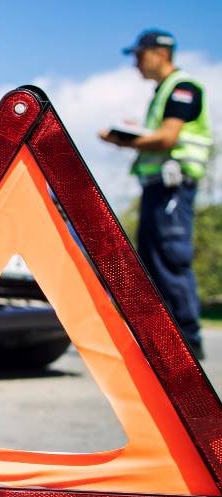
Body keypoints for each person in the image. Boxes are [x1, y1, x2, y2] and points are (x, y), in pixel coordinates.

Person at [100, 29, 213, 360]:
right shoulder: (163, 91)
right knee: (151, 261)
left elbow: (167, 138)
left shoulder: (182, 88)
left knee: (170, 259)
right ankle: (163, 342)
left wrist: (126, 140)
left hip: (172, 188)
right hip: (157, 188)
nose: (136, 62)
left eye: (139, 55)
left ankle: (188, 345)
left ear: (160, 54)